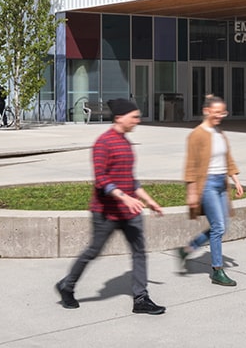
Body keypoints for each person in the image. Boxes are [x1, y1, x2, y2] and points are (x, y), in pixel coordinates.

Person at [56, 97, 166, 315]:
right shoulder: (103, 142)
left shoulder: (126, 142)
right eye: (134, 117)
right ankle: (66, 285)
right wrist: (124, 197)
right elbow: (101, 179)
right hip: (106, 212)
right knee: (93, 252)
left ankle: (141, 299)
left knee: (139, 252)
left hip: (129, 212)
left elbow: (130, 179)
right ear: (119, 118)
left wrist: (148, 200)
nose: (138, 120)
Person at [175, 94, 241, 286]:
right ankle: (217, 270)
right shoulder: (196, 135)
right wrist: (192, 192)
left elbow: (228, 159)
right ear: (207, 111)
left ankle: (187, 249)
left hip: (222, 183)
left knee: (222, 227)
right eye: (217, 112)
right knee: (219, 227)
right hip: (207, 185)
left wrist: (235, 180)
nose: (220, 115)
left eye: (223, 112)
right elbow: (191, 165)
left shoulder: (219, 133)